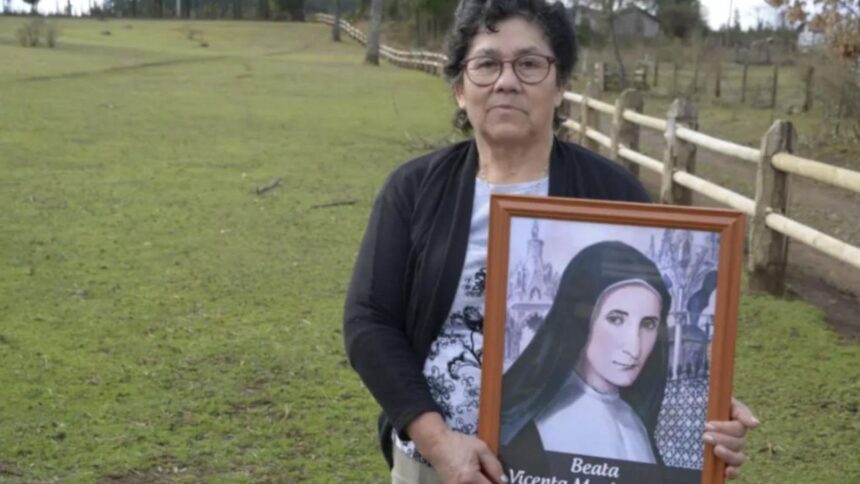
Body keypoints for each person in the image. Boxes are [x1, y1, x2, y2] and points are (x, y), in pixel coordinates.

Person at [342, 0, 759, 482]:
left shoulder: (612, 193)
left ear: (560, 85)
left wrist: (712, 413)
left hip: (574, 467)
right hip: (438, 465)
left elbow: (654, 336)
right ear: (460, 88)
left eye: (529, 63)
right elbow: (368, 322)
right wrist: (439, 444)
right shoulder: (414, 190)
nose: (507, 81)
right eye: (486, 64)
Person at [499, 241, 672, 478]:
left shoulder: (635, 422)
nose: (634, 348)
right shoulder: (533, 426)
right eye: (616, 319)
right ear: (580, 320)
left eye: (648, 324)